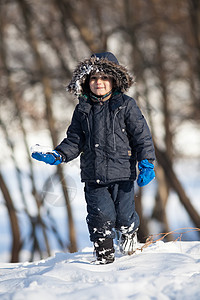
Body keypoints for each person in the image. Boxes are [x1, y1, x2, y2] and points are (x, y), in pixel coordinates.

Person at [31, 52, 156, 264]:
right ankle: (104, 256)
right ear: (86, 81)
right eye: (94, 78)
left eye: (105, 78)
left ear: (114, 80)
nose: (99, 83)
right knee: (101, 217)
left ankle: (129, 233)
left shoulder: (126, 105)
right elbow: (74, 140)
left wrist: (146, 162)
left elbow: (141, 136)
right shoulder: (82, 109)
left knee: (124, 216)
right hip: (94, 175)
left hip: (123, 173)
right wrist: (59, 154)